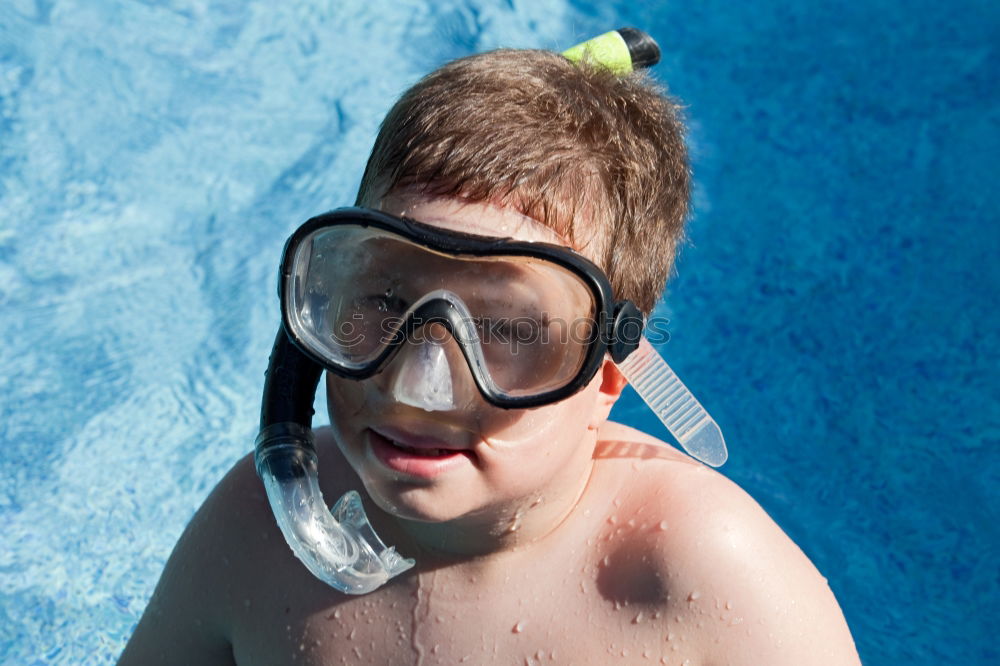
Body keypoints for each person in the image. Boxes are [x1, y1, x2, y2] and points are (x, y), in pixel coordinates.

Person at [119, 45, 860, 665]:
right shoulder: (258, 528)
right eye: (381, 301)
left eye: (507, 332)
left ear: (608, 373)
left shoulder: (699, 574)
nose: (417, 385)